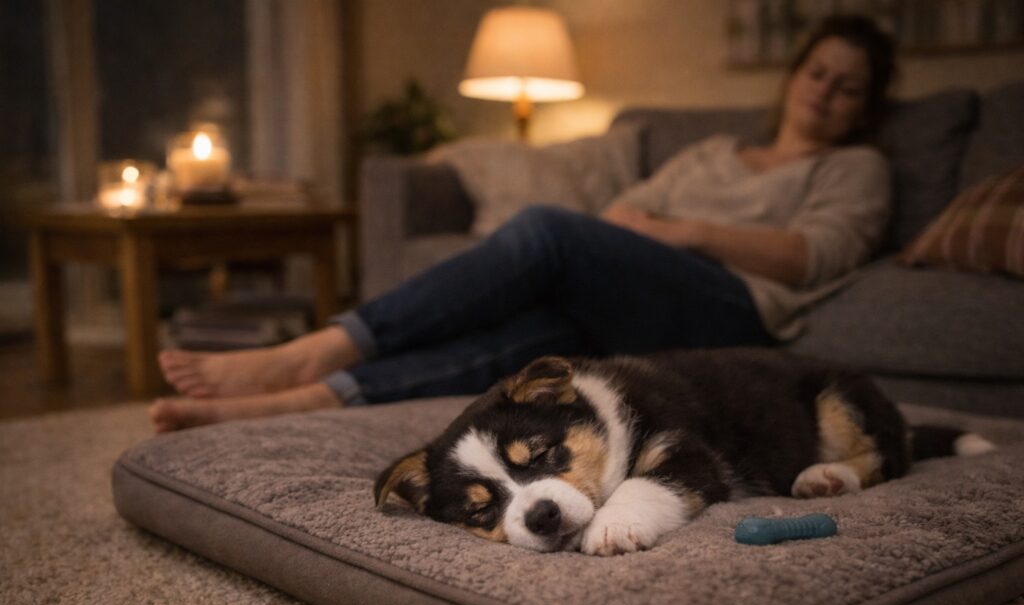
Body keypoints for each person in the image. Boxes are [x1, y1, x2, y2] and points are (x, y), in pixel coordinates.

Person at [151, 14, 896, 432]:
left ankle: (309, 350)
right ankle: (300, 399)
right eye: (817, 72)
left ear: (863, 107)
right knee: (534, 343)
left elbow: (811, 256)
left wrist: (683, 234)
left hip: (732, 311)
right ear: (795, 74)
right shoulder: (712, 152)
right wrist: (631, 234)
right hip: (636, 300)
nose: (825, 92)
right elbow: (618, 218)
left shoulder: (854, 168)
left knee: (545, 230)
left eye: (847, 87)